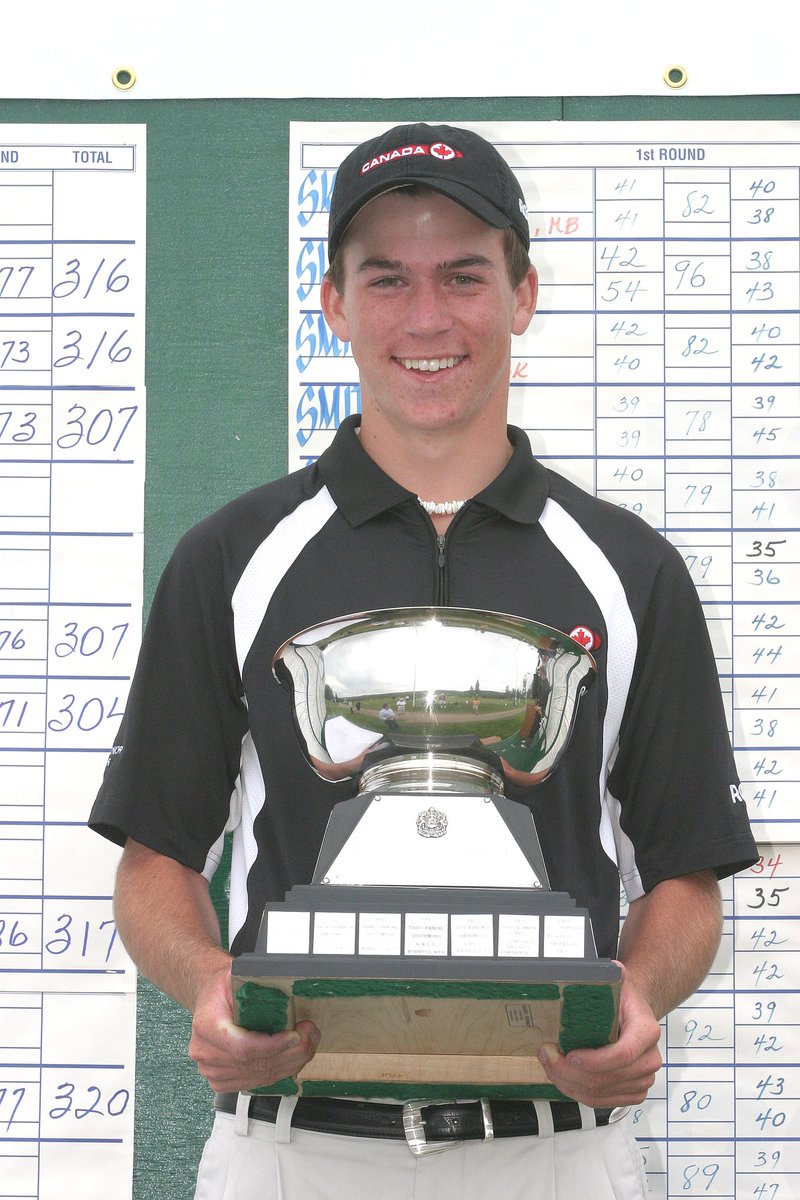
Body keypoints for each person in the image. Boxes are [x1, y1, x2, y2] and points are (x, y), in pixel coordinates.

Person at [89, 122, 758, 1200]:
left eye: (462, 276)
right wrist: (213, 986)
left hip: (557, 1153)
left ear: (521, 295)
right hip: (290, 1152)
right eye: (386, 280)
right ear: (335, 307)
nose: (426, 318)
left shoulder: (629, 570)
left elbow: (682, 869)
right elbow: (155, 855)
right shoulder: (231, 558)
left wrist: (633, 994)